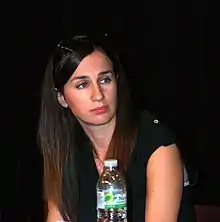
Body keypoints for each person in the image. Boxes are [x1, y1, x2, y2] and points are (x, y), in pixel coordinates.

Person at [38, 35, 197, 222]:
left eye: (105, 80)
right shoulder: (67, 149)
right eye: (83, 84)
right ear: (62, 98)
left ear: (117, 82)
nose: (98, 95)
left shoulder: (156, 143)